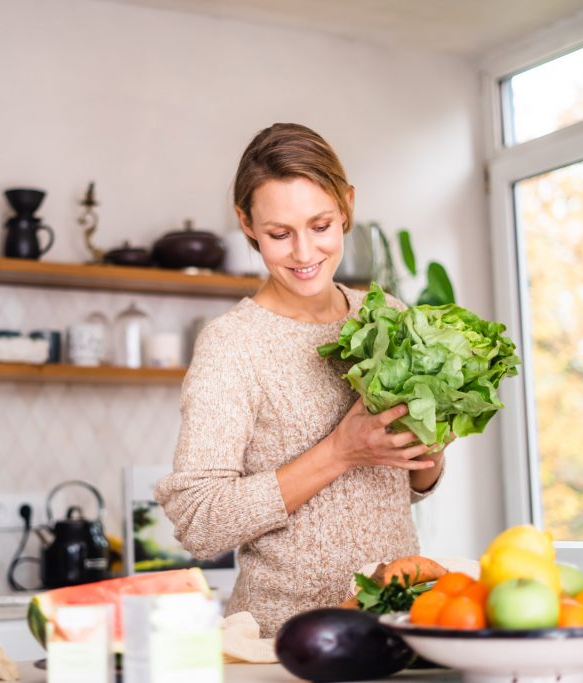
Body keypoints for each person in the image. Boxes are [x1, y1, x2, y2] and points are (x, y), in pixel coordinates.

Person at [154, 123, 446, 637]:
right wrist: (339, 451)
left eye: (320, 225)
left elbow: (408, 487)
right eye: (278, 234)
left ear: (347, 206)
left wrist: (428, 451)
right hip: (283, 644)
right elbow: (198, 521)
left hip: (399, 628)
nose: (305, 253)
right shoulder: (233, 345)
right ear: (246, 224)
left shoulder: (388, 316)